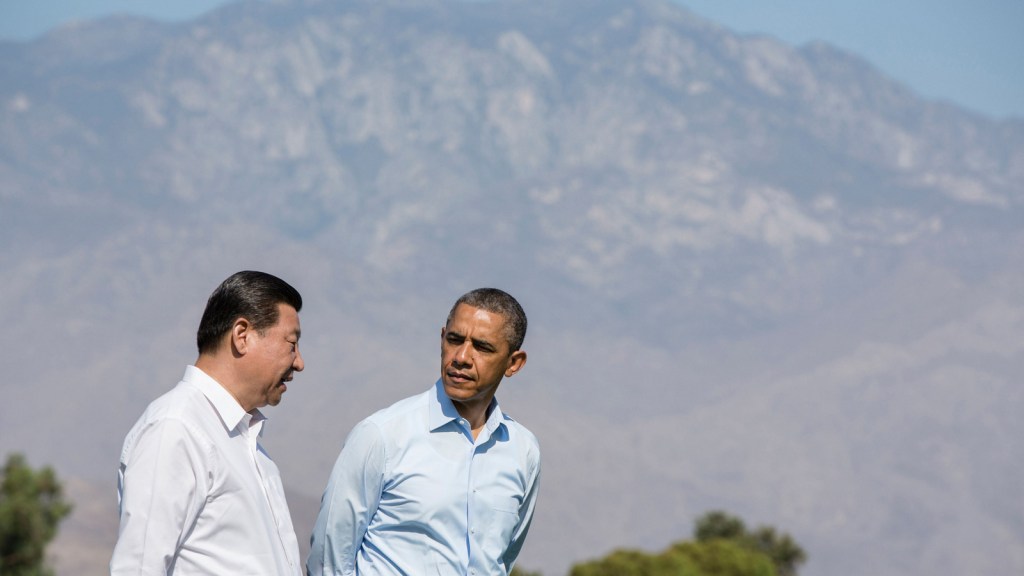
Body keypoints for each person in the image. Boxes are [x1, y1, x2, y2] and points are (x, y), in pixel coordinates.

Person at [307, 288, 541, 576]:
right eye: (454, 340)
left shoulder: (522, 450)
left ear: (513, 363)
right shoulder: (381, 435)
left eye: (482, 347)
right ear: (442, 338)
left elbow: (504, 559)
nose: (462, 357)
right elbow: (327, 562)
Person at [110, 270, 306, 575]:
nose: (299, 363)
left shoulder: (244, 440)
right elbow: (138, 567)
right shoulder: (176, 428)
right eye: (291, 344)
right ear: (242, 336)